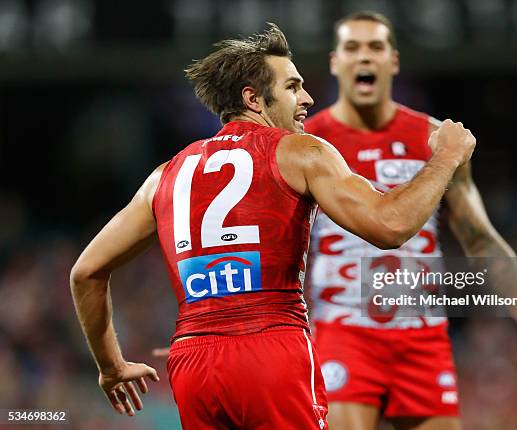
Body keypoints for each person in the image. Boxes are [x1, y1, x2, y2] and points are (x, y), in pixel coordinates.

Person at [70, 24, 476, 430]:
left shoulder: (165, 177)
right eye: (293, 87)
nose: (308, 99)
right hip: (273, 350)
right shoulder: (300, 152)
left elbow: (85, 272)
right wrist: (446, 157)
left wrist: (111, 367)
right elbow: (391, 225)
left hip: (193, 363)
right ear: (253, 98)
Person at [303, 11, 517, 430]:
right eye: (352, 47)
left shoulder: (436, 139)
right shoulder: (307, 144)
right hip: (343, 331)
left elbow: (481, 241)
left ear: (393, 61)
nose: (365, 57)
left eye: (375, 47)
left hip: (421, 338)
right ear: (334, 61)